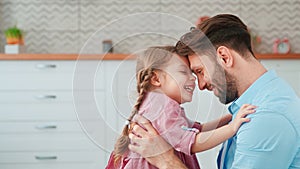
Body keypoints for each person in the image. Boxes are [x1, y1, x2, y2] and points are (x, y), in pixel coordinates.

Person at [128, 14, 300, 169]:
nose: (200, 85)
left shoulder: (267, 118)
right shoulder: (261, 101)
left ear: (224, 57)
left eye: (200, 71)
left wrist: (165, 160)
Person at [106, 46, 256, 169]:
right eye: (183, 72)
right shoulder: (163, 107)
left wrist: (230, 117)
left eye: (192, 73)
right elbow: (195, 142)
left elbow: (199, 129)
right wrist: (232, 128)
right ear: (156, 79)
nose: (193, 79)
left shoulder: (156, 104)